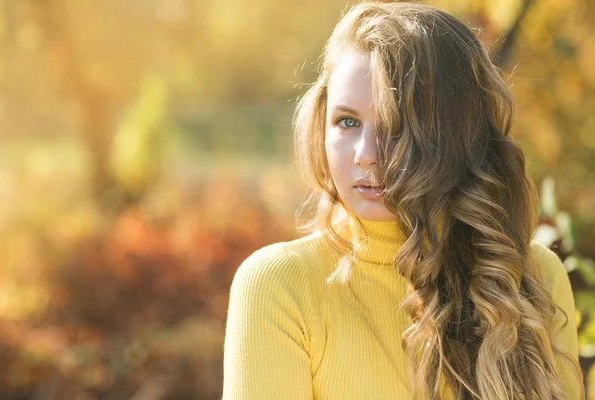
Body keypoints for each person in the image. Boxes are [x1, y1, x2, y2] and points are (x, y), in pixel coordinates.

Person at [222, 2, 585, 399]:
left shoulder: (532, 278)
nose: (365, 153)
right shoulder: (280, 286)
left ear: (458, 135)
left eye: (397, 126)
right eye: (347, 121)